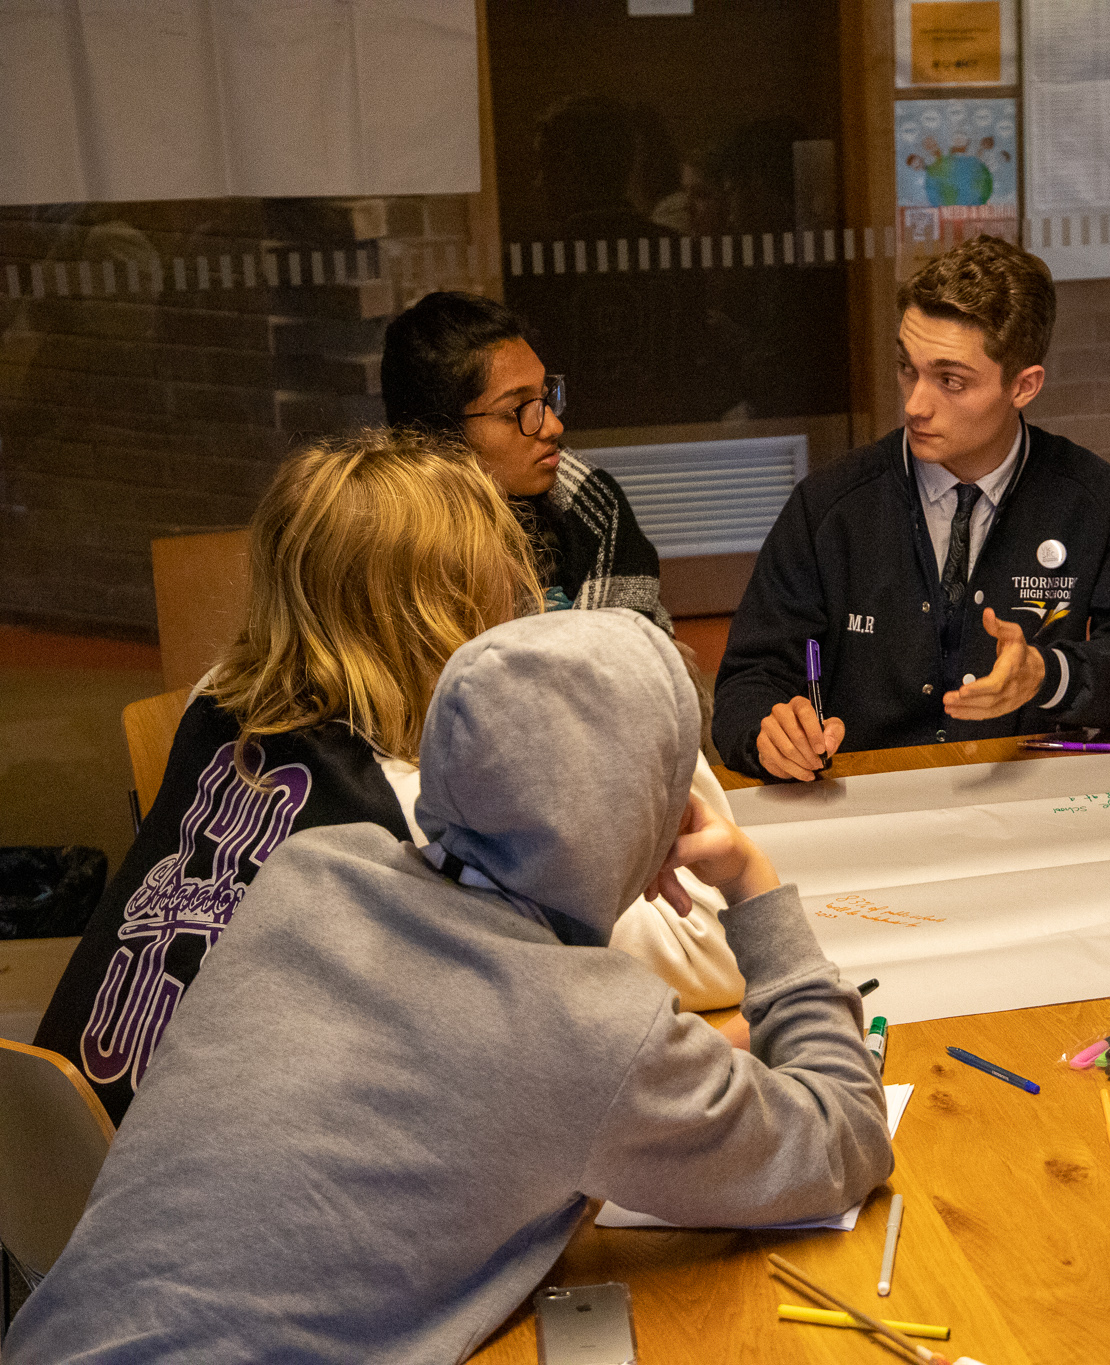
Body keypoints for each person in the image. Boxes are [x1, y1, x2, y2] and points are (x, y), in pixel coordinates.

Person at [4, 610, 894, 1361]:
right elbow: (845, 1139)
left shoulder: (316, 871)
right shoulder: (583, 1025)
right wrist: (751, 885)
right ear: (644, 816)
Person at [34, 433, 741, 1126]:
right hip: (229, 1188)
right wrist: (655, 720)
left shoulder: (216, 700)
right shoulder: (418, 816)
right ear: (445, 610)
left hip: (63, 1156)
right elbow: (710, 954)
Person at [714, 234, 1110, 780]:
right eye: (907, 369)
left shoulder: (1091, 499)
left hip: (1025, 802)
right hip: (866, 801)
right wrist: (768, 734)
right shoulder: (830, 506)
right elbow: (745, 684)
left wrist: (1047, 674)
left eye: (951, 381)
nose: (916, 404)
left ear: (1024, 386)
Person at [380, 289, 672, 629]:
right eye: (515, 410)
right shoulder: (386, 538)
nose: (553, 426)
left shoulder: (584, 500)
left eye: (545, 398)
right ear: (436, 435)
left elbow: (635, 652)